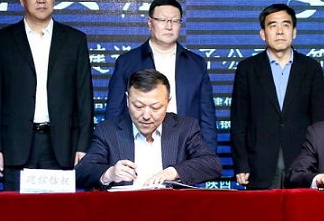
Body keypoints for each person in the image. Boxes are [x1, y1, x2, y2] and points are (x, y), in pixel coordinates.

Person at [0, 0, 94, 191]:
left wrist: (83, 145)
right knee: (16, 211)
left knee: (58, 211)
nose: (41, 0)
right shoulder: (3, 40)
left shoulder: (74, 40)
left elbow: (84, 96)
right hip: (15, 145)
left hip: (62, 145)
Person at [230, 3, 324, 189]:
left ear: (294, 32)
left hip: (303, 162)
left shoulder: (311, 68)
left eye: (286, 25)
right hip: (259, 163)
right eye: (273, 25)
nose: (280, 31)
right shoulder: (247, 69)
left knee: (301, 208)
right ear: (263, 34)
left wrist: (320, 162)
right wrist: (241, 163)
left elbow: (319, 121)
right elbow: (239, 121)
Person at [105, 0, 216, 154]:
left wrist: (208, 155)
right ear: (150, 22)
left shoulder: (196, 64)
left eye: (175, 21)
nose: (169, 26)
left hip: (185, 146)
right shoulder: (127, 62)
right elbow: (114, 112)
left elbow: (207, 117)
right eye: (163, 20)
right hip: (138, 145)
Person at [76, 70, 221, 189]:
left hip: (173, 210)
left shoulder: (185, 128)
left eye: (155, 107)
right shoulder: (107, 131)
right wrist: (109, 173)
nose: (146, 116)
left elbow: (212, 164)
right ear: (127, 100)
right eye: (138, 106)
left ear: (168, 102)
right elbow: (81, 172)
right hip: (123, 210)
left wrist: (175, 171)